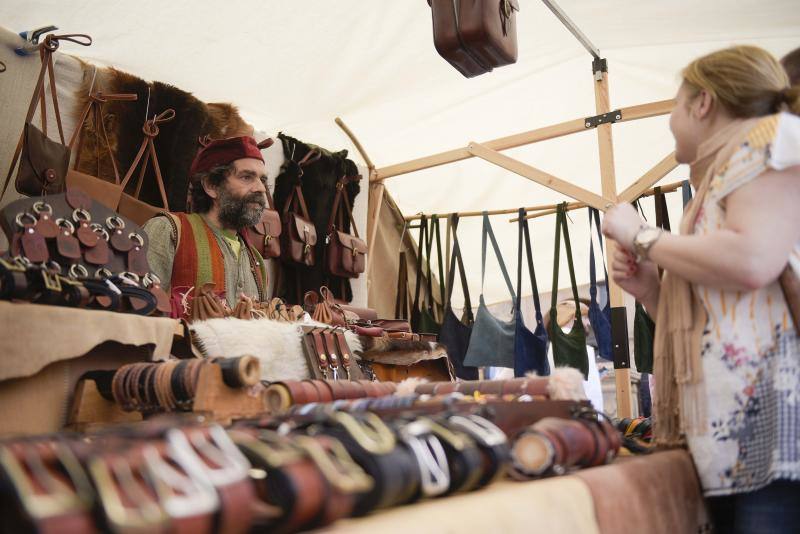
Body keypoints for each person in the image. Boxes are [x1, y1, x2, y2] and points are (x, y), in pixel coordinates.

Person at [602, 45, 800, 533]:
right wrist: (652, 290)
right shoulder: (717, 178)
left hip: (773, 436)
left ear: (703, 103)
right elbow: (723, 312)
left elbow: (752, 259)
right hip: (732, 444)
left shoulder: (768, 139)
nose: (670, 119)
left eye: (674, 104)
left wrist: (643, 236)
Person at [143, 136, 270, 308]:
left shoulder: (256, 261)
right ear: (212, 185)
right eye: (246, 177)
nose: (260, 188)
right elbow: (138, 309)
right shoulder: (168, 230)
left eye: (263, 180)